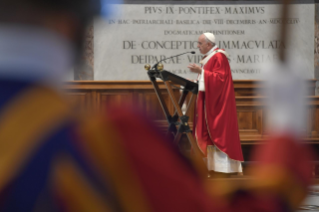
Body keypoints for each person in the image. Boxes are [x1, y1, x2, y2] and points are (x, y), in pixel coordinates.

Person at [0, 0, 314, 211]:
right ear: (71, 24)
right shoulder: (108, 141)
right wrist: (285, 127)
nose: (201, 47)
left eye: (203, 44)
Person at [188, 33, 244, 177]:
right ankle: (209, 167)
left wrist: (201, 72)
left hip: (218, 104)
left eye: (200, 43)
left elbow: (220, 80)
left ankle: (223, 169)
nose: (197, 46)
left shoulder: (219, 57)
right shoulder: (210, 58)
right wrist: (197, 80)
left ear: (209, 44)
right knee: (205, 133)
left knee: (217, 132)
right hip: (208, 103)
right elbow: (209, 78)